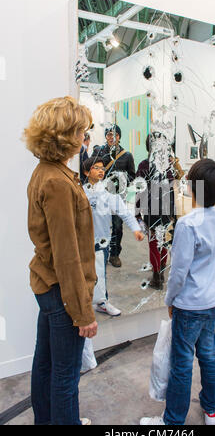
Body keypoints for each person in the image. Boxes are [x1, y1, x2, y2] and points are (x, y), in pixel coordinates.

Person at [24, 96, 97, 426]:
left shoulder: (48, 173)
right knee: (65, 378)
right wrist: (83, 313)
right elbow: (67, 258)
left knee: (45, 365)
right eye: (82, 131)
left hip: (49, 289)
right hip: (62, 294)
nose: (86, 138)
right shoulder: (56, 182)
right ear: (67, 136)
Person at [140, 158, 215, 426]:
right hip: (212, 300)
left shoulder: (188, 225)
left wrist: (169, 300)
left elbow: (178, 273)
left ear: (196, 187)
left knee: (181, 364)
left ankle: (173, 421)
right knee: (209, 355)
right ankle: (212, 411)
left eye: (189, 178)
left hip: (189, 304)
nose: (185, 181)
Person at [82, 157, 144, 316]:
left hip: (101, 242)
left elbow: (125, 213)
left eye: (102, 168)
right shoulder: (80, 193)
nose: (101, 171)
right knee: (82, 276)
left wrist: (136, 229)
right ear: (86, 172)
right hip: (81, 242)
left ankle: (102, 302)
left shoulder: (109, 195)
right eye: (96, 168)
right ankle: (84, 304)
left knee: (100, 275)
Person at [136, 133, 176, 290]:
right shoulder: (167, 166)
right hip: (166, 210)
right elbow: (173, 189)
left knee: (154, 242)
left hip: (152, 210)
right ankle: (160, 272)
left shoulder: (144, 165)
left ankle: (156, 275)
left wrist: (137, 213)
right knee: (163, 241)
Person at [92, 125, 136, 268]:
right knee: (100, 225)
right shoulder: (98, 152)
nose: (112, 137)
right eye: (109, 134)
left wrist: (121, 179)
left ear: (119, 137)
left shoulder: (127, 155)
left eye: (115, 135)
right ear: (106, 136)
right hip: (100, 197)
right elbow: (91, 170)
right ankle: (100, 253)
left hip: (118, 197)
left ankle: (115, 254)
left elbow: (132, 176)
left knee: (117, 226)